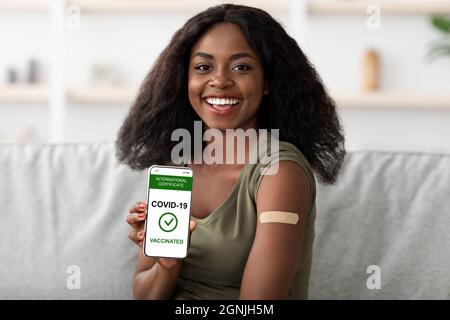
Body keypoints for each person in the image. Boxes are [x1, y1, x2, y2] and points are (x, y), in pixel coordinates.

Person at [116, 3, 345, 300]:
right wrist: (167, 262)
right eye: (203, 67)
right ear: (184, 80)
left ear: (267, 82)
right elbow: (144, 295)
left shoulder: (280, 171)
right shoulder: (176, 164)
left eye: (241, 67)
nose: (220, 81)